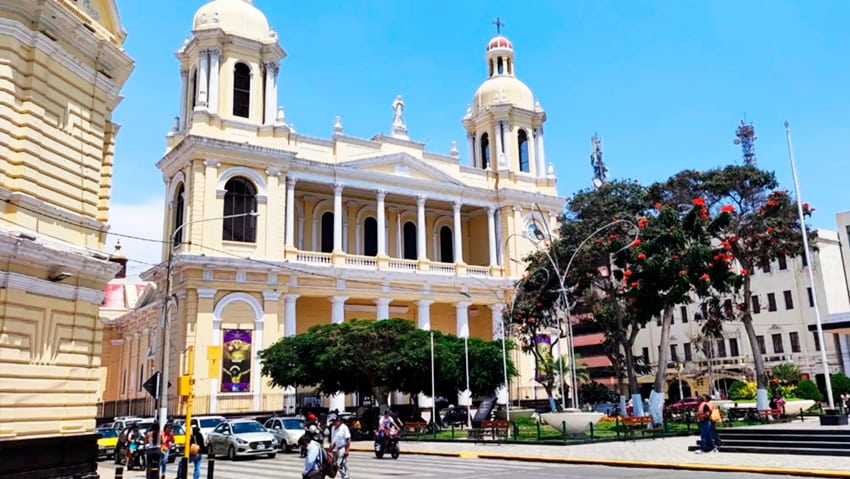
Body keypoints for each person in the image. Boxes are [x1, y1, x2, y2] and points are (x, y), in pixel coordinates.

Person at [329, 414, 351, 479]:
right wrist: (330, 450)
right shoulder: (333, 428)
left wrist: (347, 450)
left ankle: (345, 477)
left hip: (343, 447)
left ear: (338, 420)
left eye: (334, 421)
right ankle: (346, 476)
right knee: (341, 464)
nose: (333, 423)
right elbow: (334, 440)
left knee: (339, 464)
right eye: (332, 421)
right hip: (336, 448)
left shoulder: (344, 427)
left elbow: (348, 439)